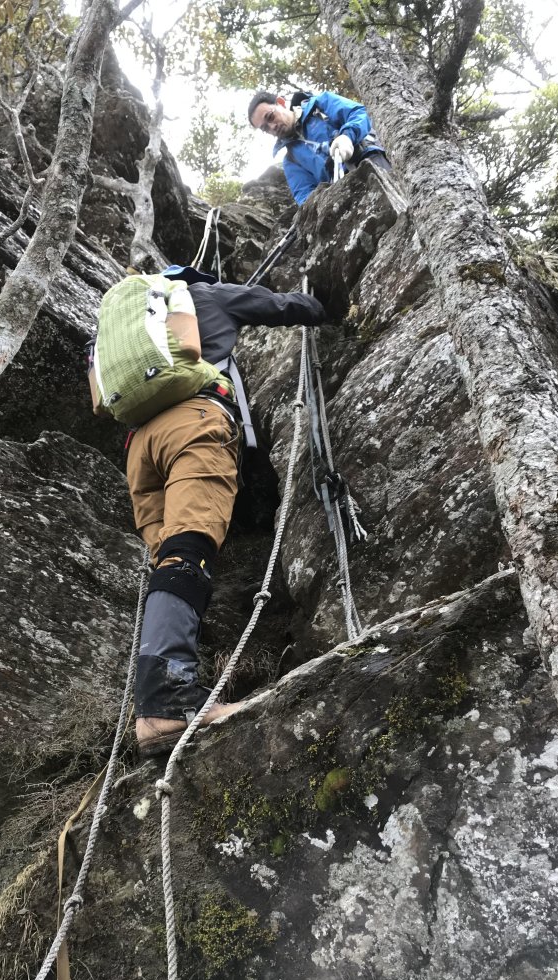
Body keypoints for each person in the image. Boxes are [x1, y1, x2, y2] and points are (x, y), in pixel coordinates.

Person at [128, 265, 327, 756]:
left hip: (138, 446)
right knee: (188, 554)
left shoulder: (132, 317)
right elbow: (284, 306)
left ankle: (156, 703)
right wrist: (325, 307)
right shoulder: (207, 294)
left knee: (168, 563)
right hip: (193, 421)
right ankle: (168, 704)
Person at [248, 89, 390, 206]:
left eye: (270, 117)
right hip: (347, 195)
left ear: (281, 102)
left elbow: (358, 113)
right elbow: (304, 197)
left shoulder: (320, 104)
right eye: (265, 128)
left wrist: (347, 136)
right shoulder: (291, 161)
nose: (272, 127)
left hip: (373, 161)